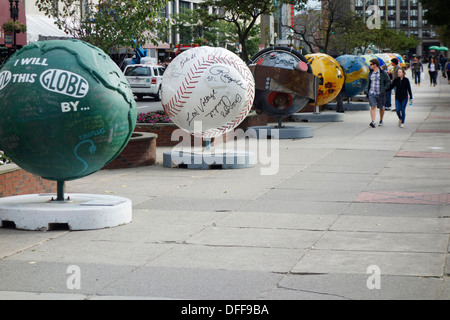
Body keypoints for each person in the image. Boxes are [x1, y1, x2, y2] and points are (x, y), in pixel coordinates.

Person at [367, 58, 391, 128]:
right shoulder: (370, 73)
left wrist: (384, 89)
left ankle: (381, 120)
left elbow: (388, 81)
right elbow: (369, 82)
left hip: (380, 93)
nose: (370, 66)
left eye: (371, 64)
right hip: (372, 93)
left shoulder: (383, 73)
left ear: (375, 65)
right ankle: (373, 121)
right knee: (373, 107)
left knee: (381, 107)